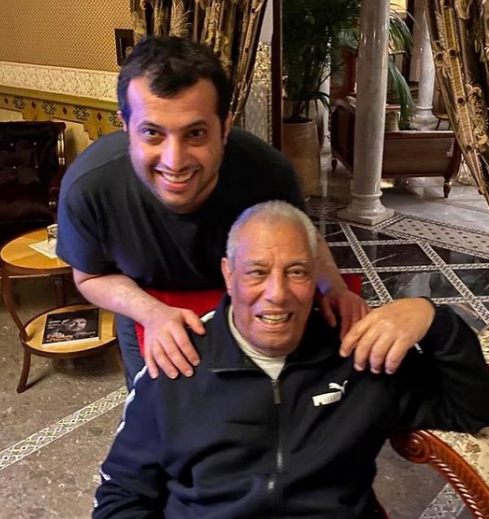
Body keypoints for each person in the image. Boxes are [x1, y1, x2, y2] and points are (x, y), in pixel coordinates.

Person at [92, 201, 489, 519]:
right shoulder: (176, 361)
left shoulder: (359, 354)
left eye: (296, 272)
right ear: (229, 275)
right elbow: (121, 496)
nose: (277, 293)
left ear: (316, 277)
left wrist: (434, 320)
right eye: (257, 272)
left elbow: (475, 409)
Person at [56, 37, 368, 388]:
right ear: (125, 126)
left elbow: (303, 240)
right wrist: (151, 313)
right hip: (146, 304)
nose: (174, 161)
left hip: (242, 301)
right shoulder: (88, 188)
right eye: (152, 133)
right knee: (157, 409)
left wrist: (335, 287)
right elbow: (90, 277)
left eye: (196, 133)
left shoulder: (269, 173)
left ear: (225, 126)